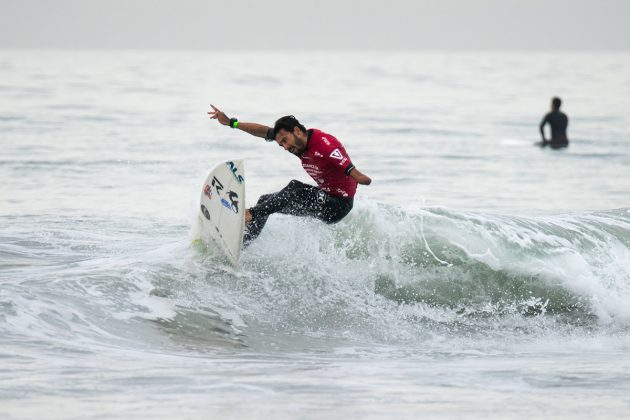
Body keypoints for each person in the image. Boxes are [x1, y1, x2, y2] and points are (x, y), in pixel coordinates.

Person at [208, 105, 372, 244]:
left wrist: (361, 178)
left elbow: (355, 173)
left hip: (337, 205)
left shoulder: (324, 145)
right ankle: (243, 243)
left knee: (294, 188)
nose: (285, 147)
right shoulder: (298, 144)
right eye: (281, 145)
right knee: (265, 200)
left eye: (285, 141)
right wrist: (231, 122)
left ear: (297, 131)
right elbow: (262, 131)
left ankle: (250, 214)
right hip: (324, 196)